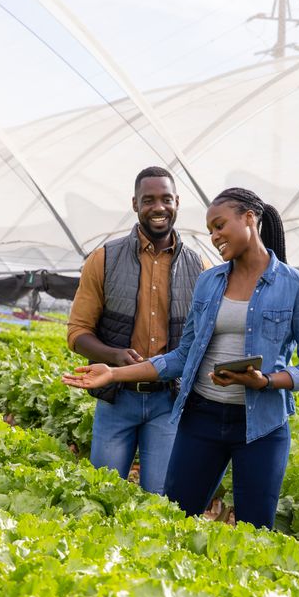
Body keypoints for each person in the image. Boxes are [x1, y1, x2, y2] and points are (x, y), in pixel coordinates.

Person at [63, 187, 299, 530]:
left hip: (262, 424)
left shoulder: (297, 286)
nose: (215, 237)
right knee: (176, 520)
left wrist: (266, 381)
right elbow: (183, 356)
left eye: (220, 226)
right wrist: (113, 374)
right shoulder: (209, 282)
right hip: (202, 418)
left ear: (249, 218)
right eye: (210, 231)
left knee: (255, 529)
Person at [67, 165, 210, 494]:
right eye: (148, 200)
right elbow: (77, 333)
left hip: (167, 402)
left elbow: (203, 342)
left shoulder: (200, 268)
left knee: (158, 500)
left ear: (177, 202)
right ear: (135, 204)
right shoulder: (103, 259)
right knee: (103, 495)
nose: (158, 208)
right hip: (116, 400)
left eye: (166, 199)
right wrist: (113, 356)